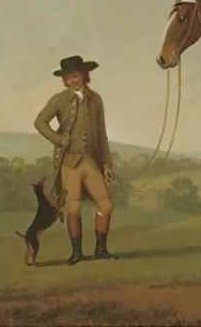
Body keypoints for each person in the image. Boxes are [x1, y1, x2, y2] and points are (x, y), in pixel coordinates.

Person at [34, 55, 118, 265]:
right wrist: (59, 139)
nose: (73, 80)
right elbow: (40, 122)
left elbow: (102, 134)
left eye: (76, 75)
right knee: (72, 208)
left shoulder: (96, 99)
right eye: (68, 77)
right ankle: (77, 253)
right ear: (64, 80)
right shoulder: (59, 100)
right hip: (69, 163)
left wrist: (107, 164)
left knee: (106, 205)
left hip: (90, 161)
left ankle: (100, 249)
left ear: (84, 75)